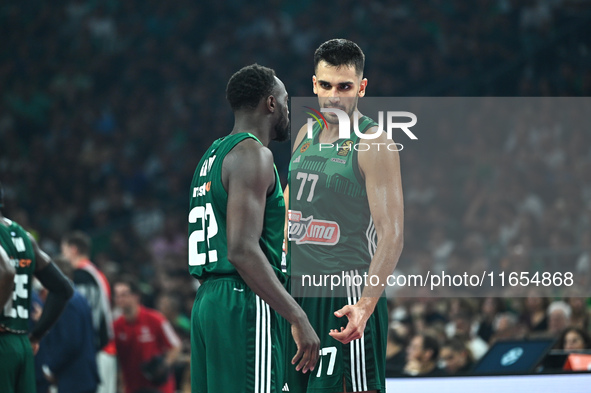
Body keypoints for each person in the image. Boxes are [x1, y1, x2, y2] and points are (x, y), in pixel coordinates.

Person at [188, 64, 319, 393]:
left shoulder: (212, 155)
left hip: (209, 302)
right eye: (286, 99)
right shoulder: (254, 155)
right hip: (245, 299)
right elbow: (242, 250)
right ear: (271, 103)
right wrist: (297, 316)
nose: (290, 108)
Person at [285, 39, 404, 392]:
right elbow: (286, 214)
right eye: (325, 85)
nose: (333, 96)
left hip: (346, 292)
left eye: (344, 86)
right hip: (300, 295)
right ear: (313, 84)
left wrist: (365, 306)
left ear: (362, 88)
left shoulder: (375, 143)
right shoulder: (305, 133)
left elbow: (392, 235)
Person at [0, 181, 74, 393]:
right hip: (22, 343)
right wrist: (37, 336)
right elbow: (63, 288)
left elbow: (6, 271)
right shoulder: (24, 237)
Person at [61, 231, 117, 393]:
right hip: (98, 349)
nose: (63, 254)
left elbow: (94, 314)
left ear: (73, 249)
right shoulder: (93, 273)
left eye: (63, 249)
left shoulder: (85, 275)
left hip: (98, 349)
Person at [35, 256, 100, 393]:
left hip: (75, 379)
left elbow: (70, 342)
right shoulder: (78, 297)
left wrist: (50, 368)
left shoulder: (67, 301)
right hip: (83, 376)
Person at [113, 277, 182, 393]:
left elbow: (176, 346)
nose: (120, 299)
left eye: (124, 294)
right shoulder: (116, 326)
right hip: (133, 388)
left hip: (159, 388)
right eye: (117, 295)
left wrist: (163, 365)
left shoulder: (156, 319)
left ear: (136, 296)